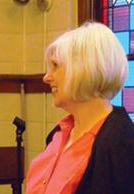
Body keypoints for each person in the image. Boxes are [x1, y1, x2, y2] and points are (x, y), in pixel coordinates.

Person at [26, 22, 134, 194]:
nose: (46, 77)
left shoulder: (121, 144)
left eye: (55, 66)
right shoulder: (57, 134)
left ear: (84, 69)